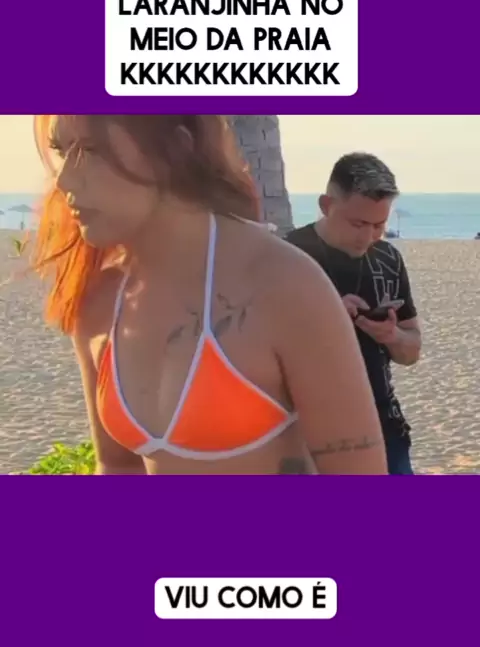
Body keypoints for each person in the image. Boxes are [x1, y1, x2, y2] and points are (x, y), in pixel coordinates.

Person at [30, 115, 388, 476]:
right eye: (62, 150)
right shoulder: (102, 300)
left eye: (91, 150)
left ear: (175, 150)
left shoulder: (282, 285)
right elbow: (118, 466)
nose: (64, 179)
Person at [285, 152, 421, 475]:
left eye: (379, 225)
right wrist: (327, 318)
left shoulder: (388, 259)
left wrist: (391, 336)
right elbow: (254, 354)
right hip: (306, 437)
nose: (368, 237)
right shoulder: (287, 257)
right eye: (358, 223)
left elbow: (411, 351)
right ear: (326, 205)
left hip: (384, 428)